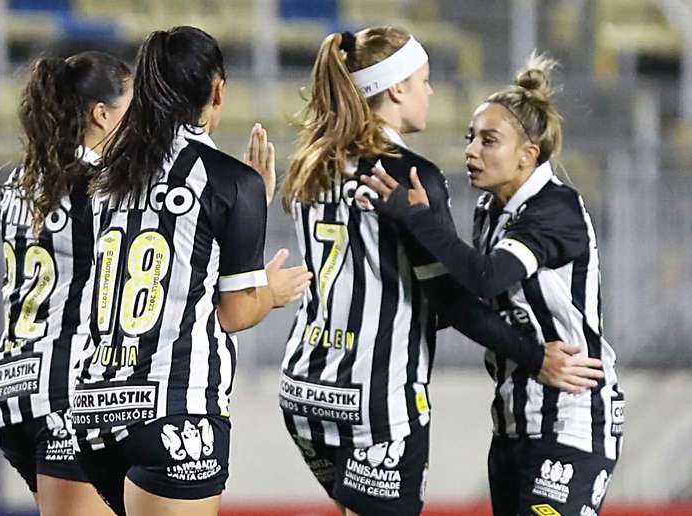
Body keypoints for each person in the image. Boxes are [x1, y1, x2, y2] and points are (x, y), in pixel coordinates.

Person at [278, 29, 604, 516]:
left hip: (305, 386)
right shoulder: (412, 175)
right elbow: (454, 297)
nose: (430, 91)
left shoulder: (312, 162)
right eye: (424, 80)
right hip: (376, 397)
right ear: (396, 89)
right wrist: (536, 356)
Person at [364, 54, 623, 516]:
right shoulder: (490, 210)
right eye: (469, 138)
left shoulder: (555, 209)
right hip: (512, 423)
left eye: (488, 140)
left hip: (572, 417)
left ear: (528, 154)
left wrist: (419, 220)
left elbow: (487, 276)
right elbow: (467, 300)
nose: (471, 151)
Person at [71, 26, 312, 516]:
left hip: (93, 412)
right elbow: (235, 314)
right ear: (217, 89)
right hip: (177, 413)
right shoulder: (230, 180)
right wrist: (271, 288)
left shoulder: (104, 175)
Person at [0, 51, 132, 516]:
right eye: (134, 109)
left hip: (15, 392)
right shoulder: (98, 187)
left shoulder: (21, 181)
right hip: (65, 397)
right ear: (102, 114)